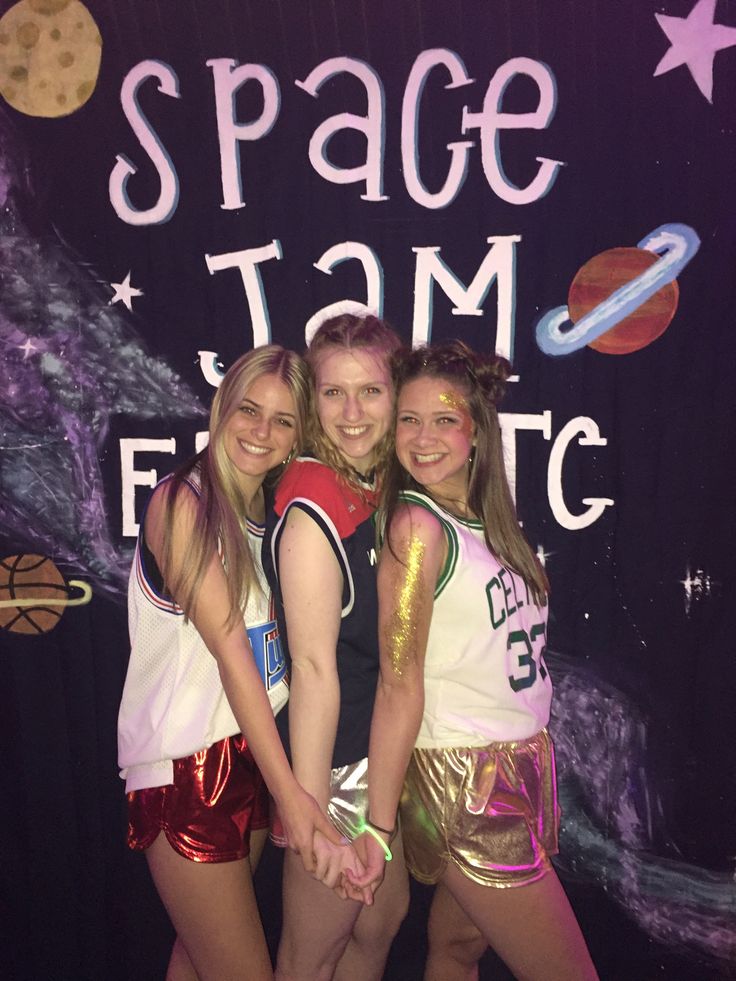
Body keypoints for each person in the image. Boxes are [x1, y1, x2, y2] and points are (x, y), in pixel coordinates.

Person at [350, 341, 599, 981]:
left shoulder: (492, 527)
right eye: (408, 419)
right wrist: (378, 830)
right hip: (467, 780)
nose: (423, 437)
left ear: (475, 431)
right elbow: (397, 688)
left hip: (520, 763)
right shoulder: (417, 528)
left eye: (443, 419)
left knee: (459, 950)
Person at [117, 345, 343, 981]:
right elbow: (231, 650)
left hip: (246, 752)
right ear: (222, 408)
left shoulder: (271, 518)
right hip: (186, 767)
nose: (261, 432)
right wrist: (292, 794)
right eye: (249, 410)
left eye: (282, 420)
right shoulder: (180, 502)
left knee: (197, 956)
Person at [263, 314, 409, 981]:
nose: (352, 412)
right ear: (312, 401)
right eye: (332, 393)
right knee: (309, 960)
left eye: (370, 391)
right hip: (338, 772)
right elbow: (315, 670)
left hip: (376, 762)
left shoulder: (382, 484)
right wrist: (311, 816)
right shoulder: (313, 499)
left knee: (379, 923)